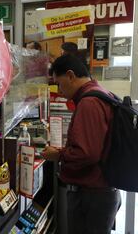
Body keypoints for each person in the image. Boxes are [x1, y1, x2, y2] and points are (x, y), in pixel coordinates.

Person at [42, 54, 121, 234]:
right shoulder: (100, 92)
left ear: (70, 75)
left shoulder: (89, 102)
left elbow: (88, 153)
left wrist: (59, 155)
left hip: (92, 194)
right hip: (102, 190)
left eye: (59, 83)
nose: (59, 90)